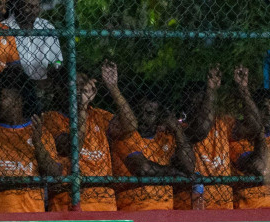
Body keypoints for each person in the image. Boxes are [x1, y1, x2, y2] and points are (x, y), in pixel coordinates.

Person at [43, 63, 128, 213]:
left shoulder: (98, 115)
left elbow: (130, 126)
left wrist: (113, 87)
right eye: (75, 85)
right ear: (61, 89)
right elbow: (72, 148)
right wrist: (82, 108)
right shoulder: (52, 118)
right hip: (68, 206)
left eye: (84, 84)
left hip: (105, 204)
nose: (81, 89)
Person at [0, 67, 62, 214]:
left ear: (18, 99)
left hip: (30, 216)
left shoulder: (39, 131)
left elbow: (54, 173)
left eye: (2, 96)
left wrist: (37, 143)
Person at [175, 66, 255, 210]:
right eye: (196, 103)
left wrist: (243, 89)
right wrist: (211, 89)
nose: (201, 106)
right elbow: (201, 129)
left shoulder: (223, 122)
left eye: (204, 102)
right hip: (194, 208)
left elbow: (255, 127)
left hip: (225, 206)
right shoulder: (181, 128)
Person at [110, 85, 192, 213]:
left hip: (166, 210)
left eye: (149, 113)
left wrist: (177, 131)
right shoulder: (125, 137)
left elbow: (189, 167)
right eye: (138, 112)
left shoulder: (165, 138)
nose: (142, 118)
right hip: (134, 210)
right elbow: (143, 169)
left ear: (159, 116)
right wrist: (173, 172)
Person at [3, 0, 62, 85]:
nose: (33, 11)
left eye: (37, 6)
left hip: (44, 84)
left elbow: (57, 60)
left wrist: (55, 66)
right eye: (28, 6)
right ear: (16, 5)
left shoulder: (47, 27)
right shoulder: (3, 29)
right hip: (14, 86)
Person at [231, 87, 270, 209]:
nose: (269, 112)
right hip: (250, 208)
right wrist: (260, 134)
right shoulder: (239, 141)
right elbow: (259, 166)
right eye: (264, 108)